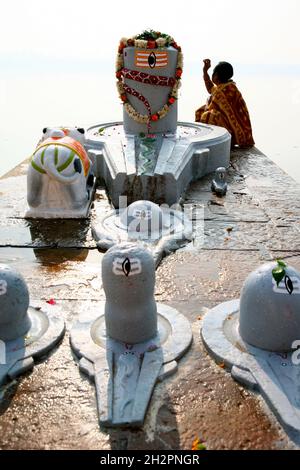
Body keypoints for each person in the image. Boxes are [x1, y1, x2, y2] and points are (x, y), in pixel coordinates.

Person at [195, 59, 255, 148]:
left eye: (213, 73)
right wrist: (205, 71)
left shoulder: (226, 89)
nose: (212, 76)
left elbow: (212, 108)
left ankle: (216, 141)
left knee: (209, 116)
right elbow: (210, 88)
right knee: (200, 111)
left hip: (236, 130)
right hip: (233, 125)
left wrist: (208, 107)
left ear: (217, 76)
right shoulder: (225, 86)